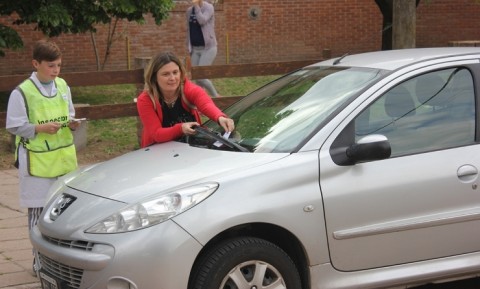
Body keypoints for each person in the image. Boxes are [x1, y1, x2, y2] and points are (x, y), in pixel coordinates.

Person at [5, 39, 80, 274]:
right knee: (37, 212)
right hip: (36, 161)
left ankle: (63, 260)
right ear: (35, 64)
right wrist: (39, 128)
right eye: (50, 66)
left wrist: (73, 123)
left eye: (58, 65)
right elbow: (14, 126)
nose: (56, 70)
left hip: (62, 158)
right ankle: (39, 261)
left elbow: (68, 113)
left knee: (65, 209)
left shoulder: (63, 85)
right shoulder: (22, 92)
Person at [136, 51, 234, 147]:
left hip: (189, 149)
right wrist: (180, 129)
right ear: (154, 77)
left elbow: (206, 104)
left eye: (175, 72)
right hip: (158, 151)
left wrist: (219, 117)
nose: (172, 78)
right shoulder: (145, 100)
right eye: (166, 74)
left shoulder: (188, 89)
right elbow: (157, 134)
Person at [186, 0, 221, 97]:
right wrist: (189, 47)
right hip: (195, 49)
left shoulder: (209, 7)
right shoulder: (189, 11)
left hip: (208, 48)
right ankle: (202, 102)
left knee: (201, 77)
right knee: (196, 77)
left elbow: (202, 21)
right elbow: (189, 30)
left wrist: (196, 6)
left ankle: (216, 97)